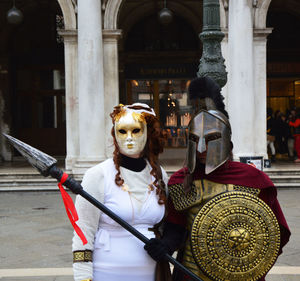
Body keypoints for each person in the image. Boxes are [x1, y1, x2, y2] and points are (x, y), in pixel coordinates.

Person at [144, 77, 291, 281]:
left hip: (240, 273)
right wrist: (165, 245)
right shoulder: (181, 180)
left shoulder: (253, 179)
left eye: (211, 139)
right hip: (191, 273)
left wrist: (253, 265)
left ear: (226, 142)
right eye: (195, 140)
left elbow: (273, 233)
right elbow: (176, 228)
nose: (201, 149)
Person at [72, 103, 169, 281]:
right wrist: (83, 277)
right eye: (122, 131)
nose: (129, 138)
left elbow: (166, 226)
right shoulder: (97, 175)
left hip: (151, 273)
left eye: (136, 131)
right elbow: (83, 230)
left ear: (148, 134)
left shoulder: (159, 175)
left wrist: (166, 245)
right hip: (107, 272)